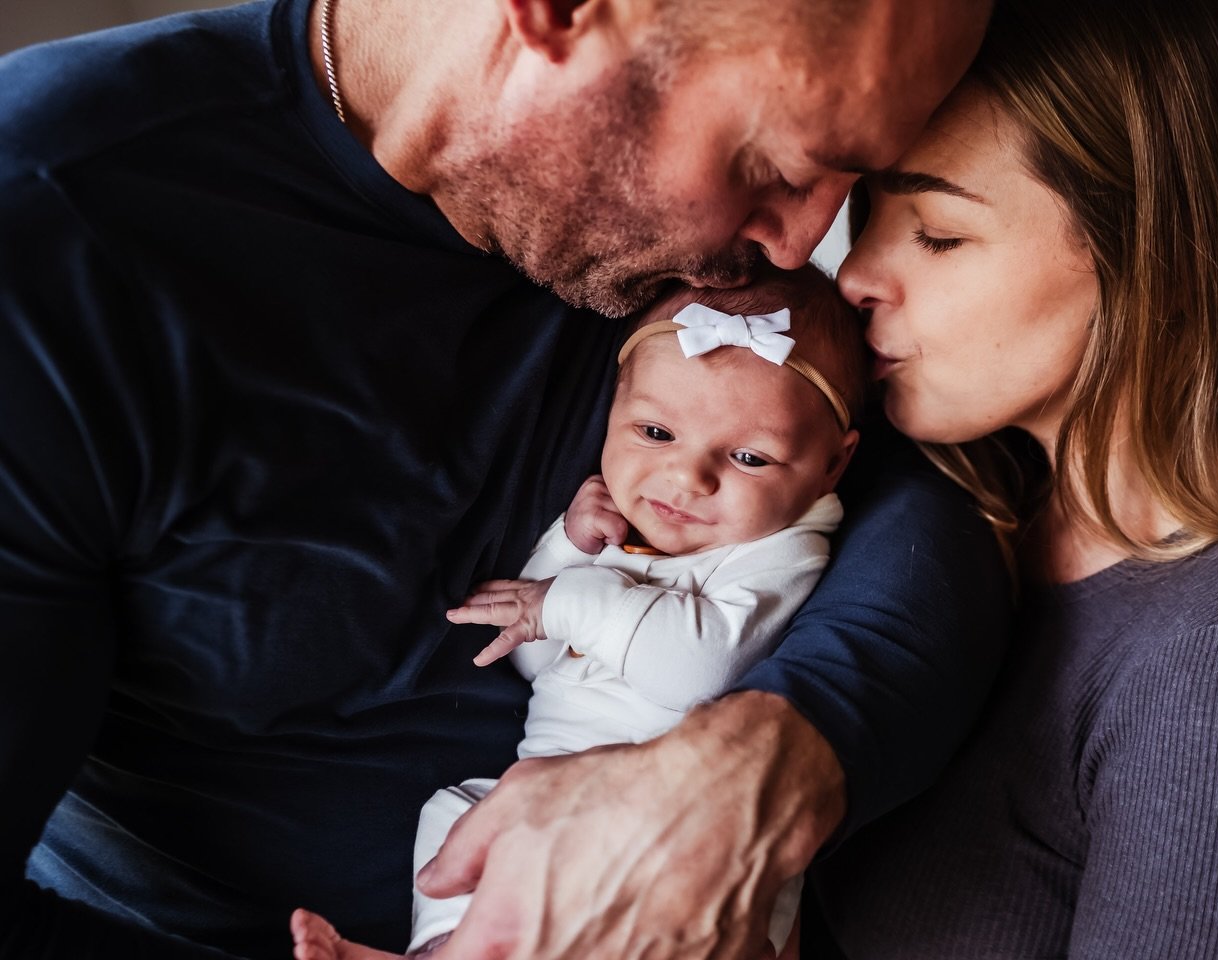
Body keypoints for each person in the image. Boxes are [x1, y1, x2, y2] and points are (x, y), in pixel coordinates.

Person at [0, 0, 1008, 958]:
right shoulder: (46, 252)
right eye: (771, 166)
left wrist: (781, 756)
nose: (802, 246)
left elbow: (935, 498)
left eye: (850, 187)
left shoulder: (666, 245)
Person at [804, 0, 1218, 956]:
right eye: (870, 213)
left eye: (936, 231)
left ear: (1147, 250)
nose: (855, 274)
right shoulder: (966, 514)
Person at [289, 266, 866, 960]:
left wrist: (564, 599)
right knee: (459, 812)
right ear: (614, 409)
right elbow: (537, 658)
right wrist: (564, 549)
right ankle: (446, 947)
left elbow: (696, 669)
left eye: (748, 456)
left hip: (684, 830)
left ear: (833, 464)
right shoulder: (617, 529)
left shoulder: (783, 547)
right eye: (654, 431)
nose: (688, 478)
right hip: (553, 793)